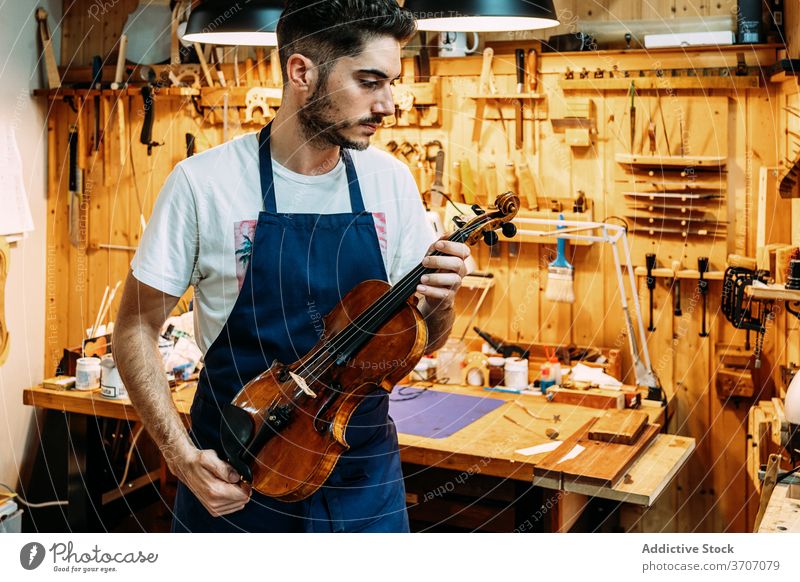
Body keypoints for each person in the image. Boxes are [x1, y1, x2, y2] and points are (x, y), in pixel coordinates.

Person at [113, 0, 470, 533]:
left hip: (359, 473)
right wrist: (181, 456)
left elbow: (426, 338)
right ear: (301, 72)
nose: (389, 104)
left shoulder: (389, 182)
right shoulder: (201, 184)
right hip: (237, 470)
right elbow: (135, 327)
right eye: (370, 82)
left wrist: (441, 300)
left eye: (392, 83)